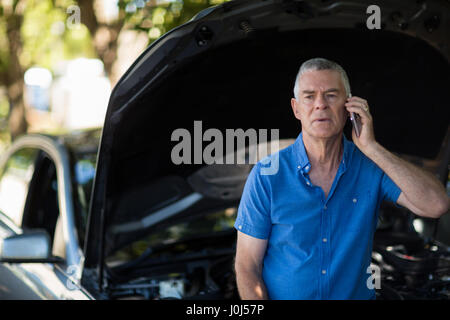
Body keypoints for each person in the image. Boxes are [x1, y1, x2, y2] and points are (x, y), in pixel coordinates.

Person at [233, 57, 450, 300]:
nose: (320, 105)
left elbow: (436, 204)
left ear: (349, 106)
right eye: (309, 96)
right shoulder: (266, 175)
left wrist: (372, 147)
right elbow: (247, 265)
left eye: (331, 95)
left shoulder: (370, 167)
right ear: (296, 108)